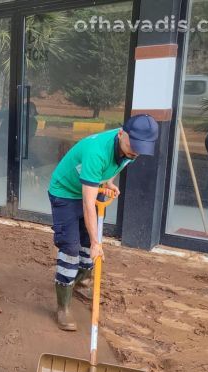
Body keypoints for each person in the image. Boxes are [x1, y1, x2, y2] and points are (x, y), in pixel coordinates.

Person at [48, 114, 159, 331]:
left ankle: (81, 281)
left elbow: (116, 165)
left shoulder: (130, 149)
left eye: (140, 148)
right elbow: (88, 204)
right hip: (65, 192)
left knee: (88, 246)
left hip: (92, 186)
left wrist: (107, 181)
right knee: (71, 248)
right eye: (133, 145)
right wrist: (97, 242)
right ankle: (63, 307)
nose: (135, 152)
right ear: (121, 134)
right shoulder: (96, 152)